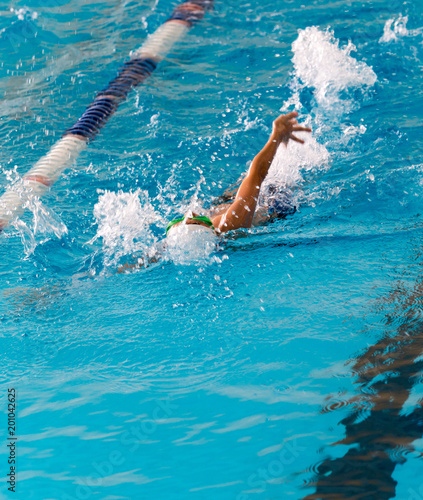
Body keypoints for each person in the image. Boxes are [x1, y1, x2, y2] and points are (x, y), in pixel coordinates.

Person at [119, 111, 311, 270]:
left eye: (181, 220)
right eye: (194, 219)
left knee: (234, 189)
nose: (190, 213)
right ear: (207, 227)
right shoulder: (233, 222)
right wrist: (276, 136)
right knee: (287, 182)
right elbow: (258, 173)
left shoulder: (175, 244)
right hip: (272, 206)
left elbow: (142, 263)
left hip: (222, 206)